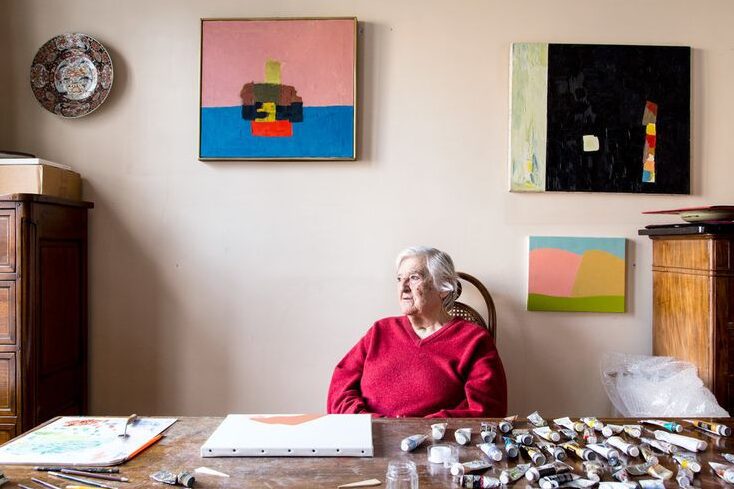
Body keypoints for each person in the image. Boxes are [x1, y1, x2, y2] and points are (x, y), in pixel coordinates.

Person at [327, 246, 507, 417]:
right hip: (369, 439)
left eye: (414, 278)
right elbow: (340, 386)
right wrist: (366, 421)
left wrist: (417, 431)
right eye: (399, 279)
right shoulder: (380, 331)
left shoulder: (473, 340)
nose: (403, 287)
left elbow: (487, 410)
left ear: (443, 288)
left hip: (435, 445)